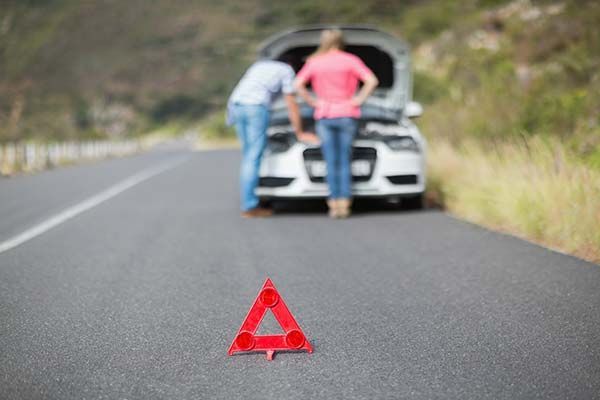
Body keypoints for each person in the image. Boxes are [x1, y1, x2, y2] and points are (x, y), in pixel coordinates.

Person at [295, 29, 379, 218]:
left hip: (324, 114)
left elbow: (297, 84)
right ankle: (345, 203)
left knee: (330, 160)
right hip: (347, 113)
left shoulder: (315, 62)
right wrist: (358, 100)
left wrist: (312, 101)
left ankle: (333, 203)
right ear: (341, 42)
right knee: (344, 159)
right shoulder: (350, 60)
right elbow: (371, 80)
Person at [228, 57, 318, 218]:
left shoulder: (259, 65)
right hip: (255, 108)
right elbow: (291, 104)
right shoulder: (286, 70)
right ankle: (249, 206)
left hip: (236, 106)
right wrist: (300, 132)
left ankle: (250, 199)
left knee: (248, 156)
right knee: (253, 157)